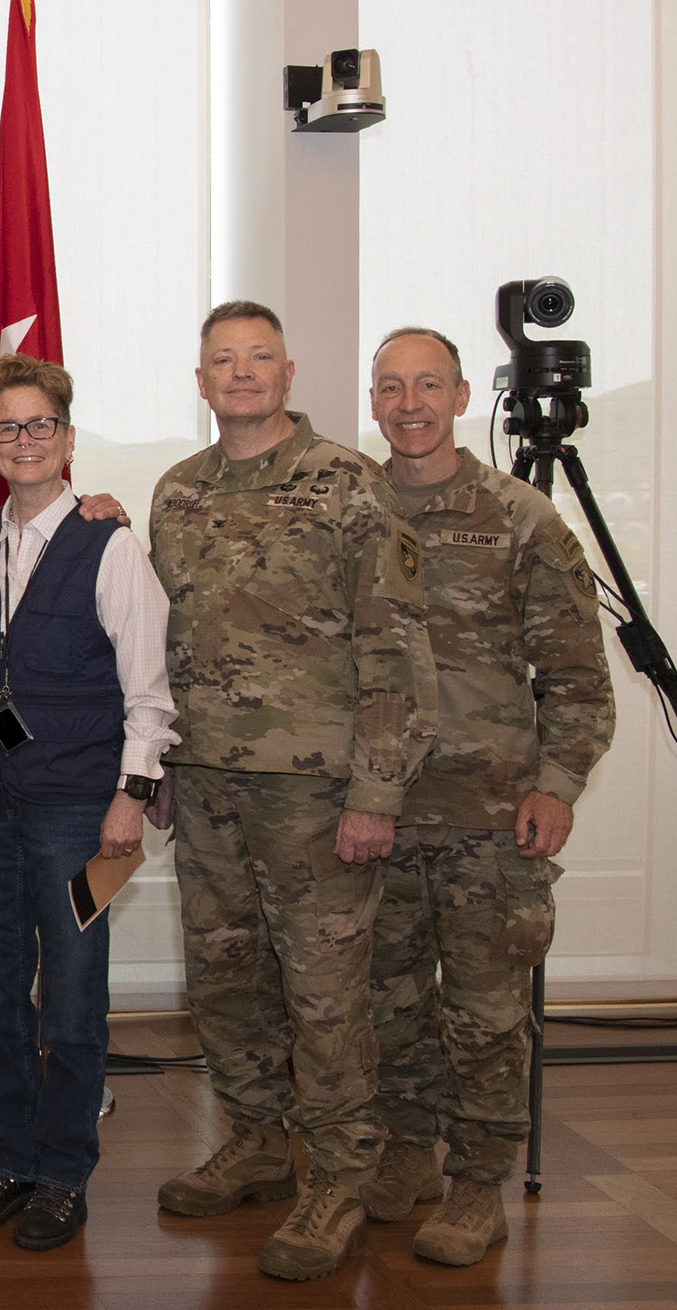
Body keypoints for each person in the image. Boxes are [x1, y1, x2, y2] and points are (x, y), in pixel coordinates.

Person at [146, 300, 437, 1280]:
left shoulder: (351, 487)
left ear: (288, 372)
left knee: (324, 993)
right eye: (222, 360)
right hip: (207, 787)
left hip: (317, 796)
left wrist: (377, 794)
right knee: (225, 980)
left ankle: (343, 1176)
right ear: (200, 380)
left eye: (257, 357)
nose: (239, 373)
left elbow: (396, 652)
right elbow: (165, 638)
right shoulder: (177, 492)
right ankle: (261, 1141)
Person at [362, 327, 614, 1265]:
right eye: (392, 387)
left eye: (428, 384)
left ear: (464, 396)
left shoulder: (521, 519)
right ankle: (407, 1156)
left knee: (484, 1009)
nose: (410, 403)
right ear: (374, 400)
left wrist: (557, 785)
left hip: (490, 820)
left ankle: (477, 1184)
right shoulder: (353, 506)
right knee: (388, 1002)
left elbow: (579, 676)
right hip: (376, 810)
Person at [0, 354, 178, 1251]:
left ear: (69, 438)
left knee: (74, 995)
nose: (27, 440)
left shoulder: (109, 544)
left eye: (43, 424)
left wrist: (133, 796)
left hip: (77, 809)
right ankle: (10, 1153)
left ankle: (64, 1170)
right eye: (9, 427)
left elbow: (149, 690)